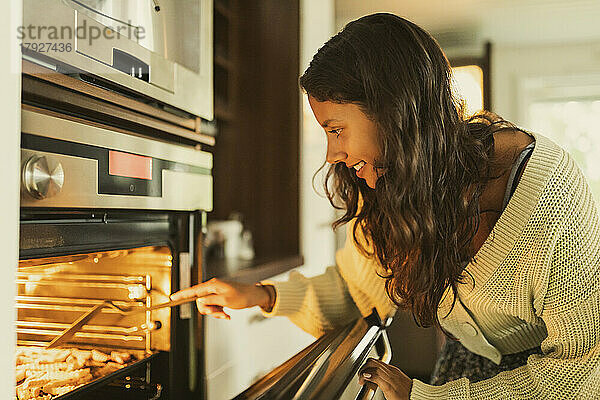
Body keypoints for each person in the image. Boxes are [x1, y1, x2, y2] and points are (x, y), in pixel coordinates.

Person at [171, 13, 600, 399]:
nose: (330, 154)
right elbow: (356, 290)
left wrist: (427, 398)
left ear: (394, 114)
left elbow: (582, 372)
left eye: (336, 129)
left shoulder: (548, 195)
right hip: (464, 370)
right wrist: (260, 294)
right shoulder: (394, 189)